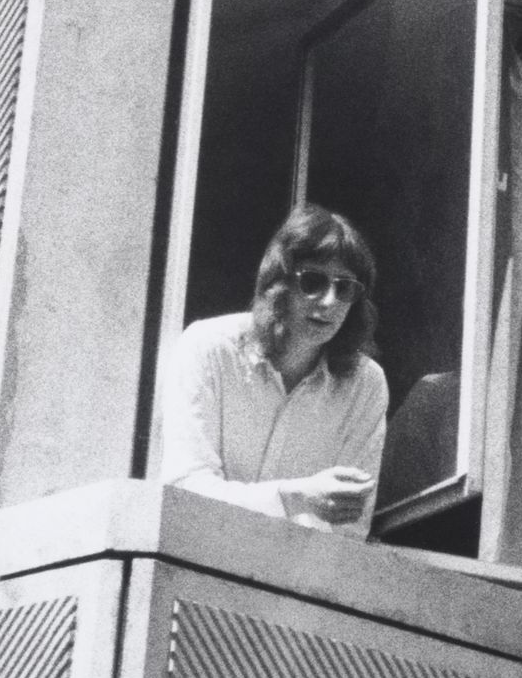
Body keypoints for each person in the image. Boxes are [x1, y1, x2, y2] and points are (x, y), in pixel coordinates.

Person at [158, 204, 388, 536]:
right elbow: (185, 490)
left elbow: (349, 529)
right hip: (192, 556)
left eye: (344, 288)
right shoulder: (208, 347)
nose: (328, 301)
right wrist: (294, 497)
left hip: (291, 579)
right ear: (278, 283)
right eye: (313, 282)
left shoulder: (365, 385)